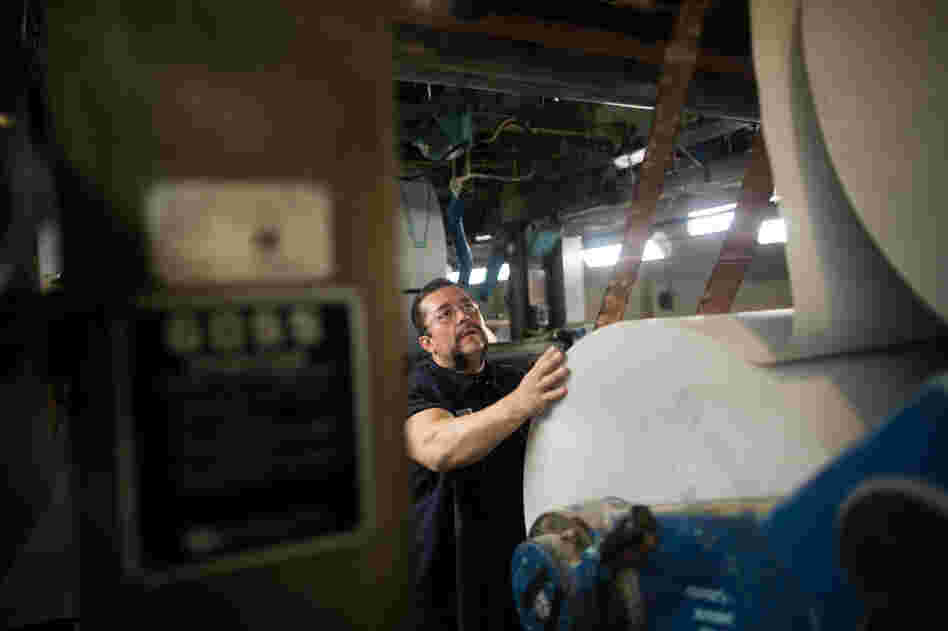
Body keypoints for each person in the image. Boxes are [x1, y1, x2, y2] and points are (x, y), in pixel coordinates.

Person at [405, 278, 570, 631]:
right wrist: (521, 404)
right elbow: (439, 448)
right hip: (447, 577)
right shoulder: (415, 388)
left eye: (468, 307)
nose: (463, 316)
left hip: (516, 560)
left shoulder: (513, 380)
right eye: (445, 314)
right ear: (427, 342)